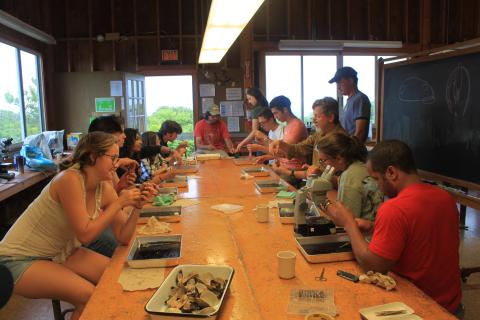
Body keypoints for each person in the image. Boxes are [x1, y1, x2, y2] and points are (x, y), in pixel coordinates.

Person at [0, 132, 148, 319]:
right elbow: (85, 234)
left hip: (60, 252)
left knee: (118, 278)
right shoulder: (70, 179)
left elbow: (123, 237)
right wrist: (120, 203)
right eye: (113, 158)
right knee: (90, 296)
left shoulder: (104, 188)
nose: (116, 164)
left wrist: (137, 208)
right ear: (93, 156)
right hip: (19, 258)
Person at [321, 140, 462, 315]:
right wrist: (374, 227)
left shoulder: (394, 208)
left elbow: (373, 266)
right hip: (451, 306)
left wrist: (349, 223)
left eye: (376, 179)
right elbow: (419, 235)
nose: (378, 187)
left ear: (391, 172)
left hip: (418, 308)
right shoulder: (445, 198)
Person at [315, 132, 383, 228]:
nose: (321, 165)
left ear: (339, 159)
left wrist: (322, 202)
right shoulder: (360, 166)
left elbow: (345, 222)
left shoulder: (349, 176)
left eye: (323, 160)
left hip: (367, 238)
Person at [269, 97, 345, 179]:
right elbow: (299, 148)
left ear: (330, 117)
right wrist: (281, 144)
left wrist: (319, 173)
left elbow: (341, 179)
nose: (314, 120)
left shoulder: (341, 140)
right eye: (314, 116)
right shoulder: (319, 134)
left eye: (317, 116)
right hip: (315, 182)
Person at [268, 95, 308, 184]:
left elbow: (284, 152)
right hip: (284, 168)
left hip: (293, 172)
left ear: (285, 110)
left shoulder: (297, 125)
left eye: (276, 113)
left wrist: (261, 143)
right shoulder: (287, 125)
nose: (275, 117)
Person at [328, 66, 371, 144]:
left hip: (352, 151)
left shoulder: (360, 99)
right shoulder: (350, 100)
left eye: (340, 83)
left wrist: (349, 152)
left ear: (351, 80)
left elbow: (360, 132)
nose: (338, 87)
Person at [235, 88, 269, 153]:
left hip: (261, 142)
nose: (249, 101)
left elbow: (254, 131)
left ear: (255, 96)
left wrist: (241, 143)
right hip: (270, 139)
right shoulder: (266, 106)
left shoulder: (256, 109)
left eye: (250, 98)